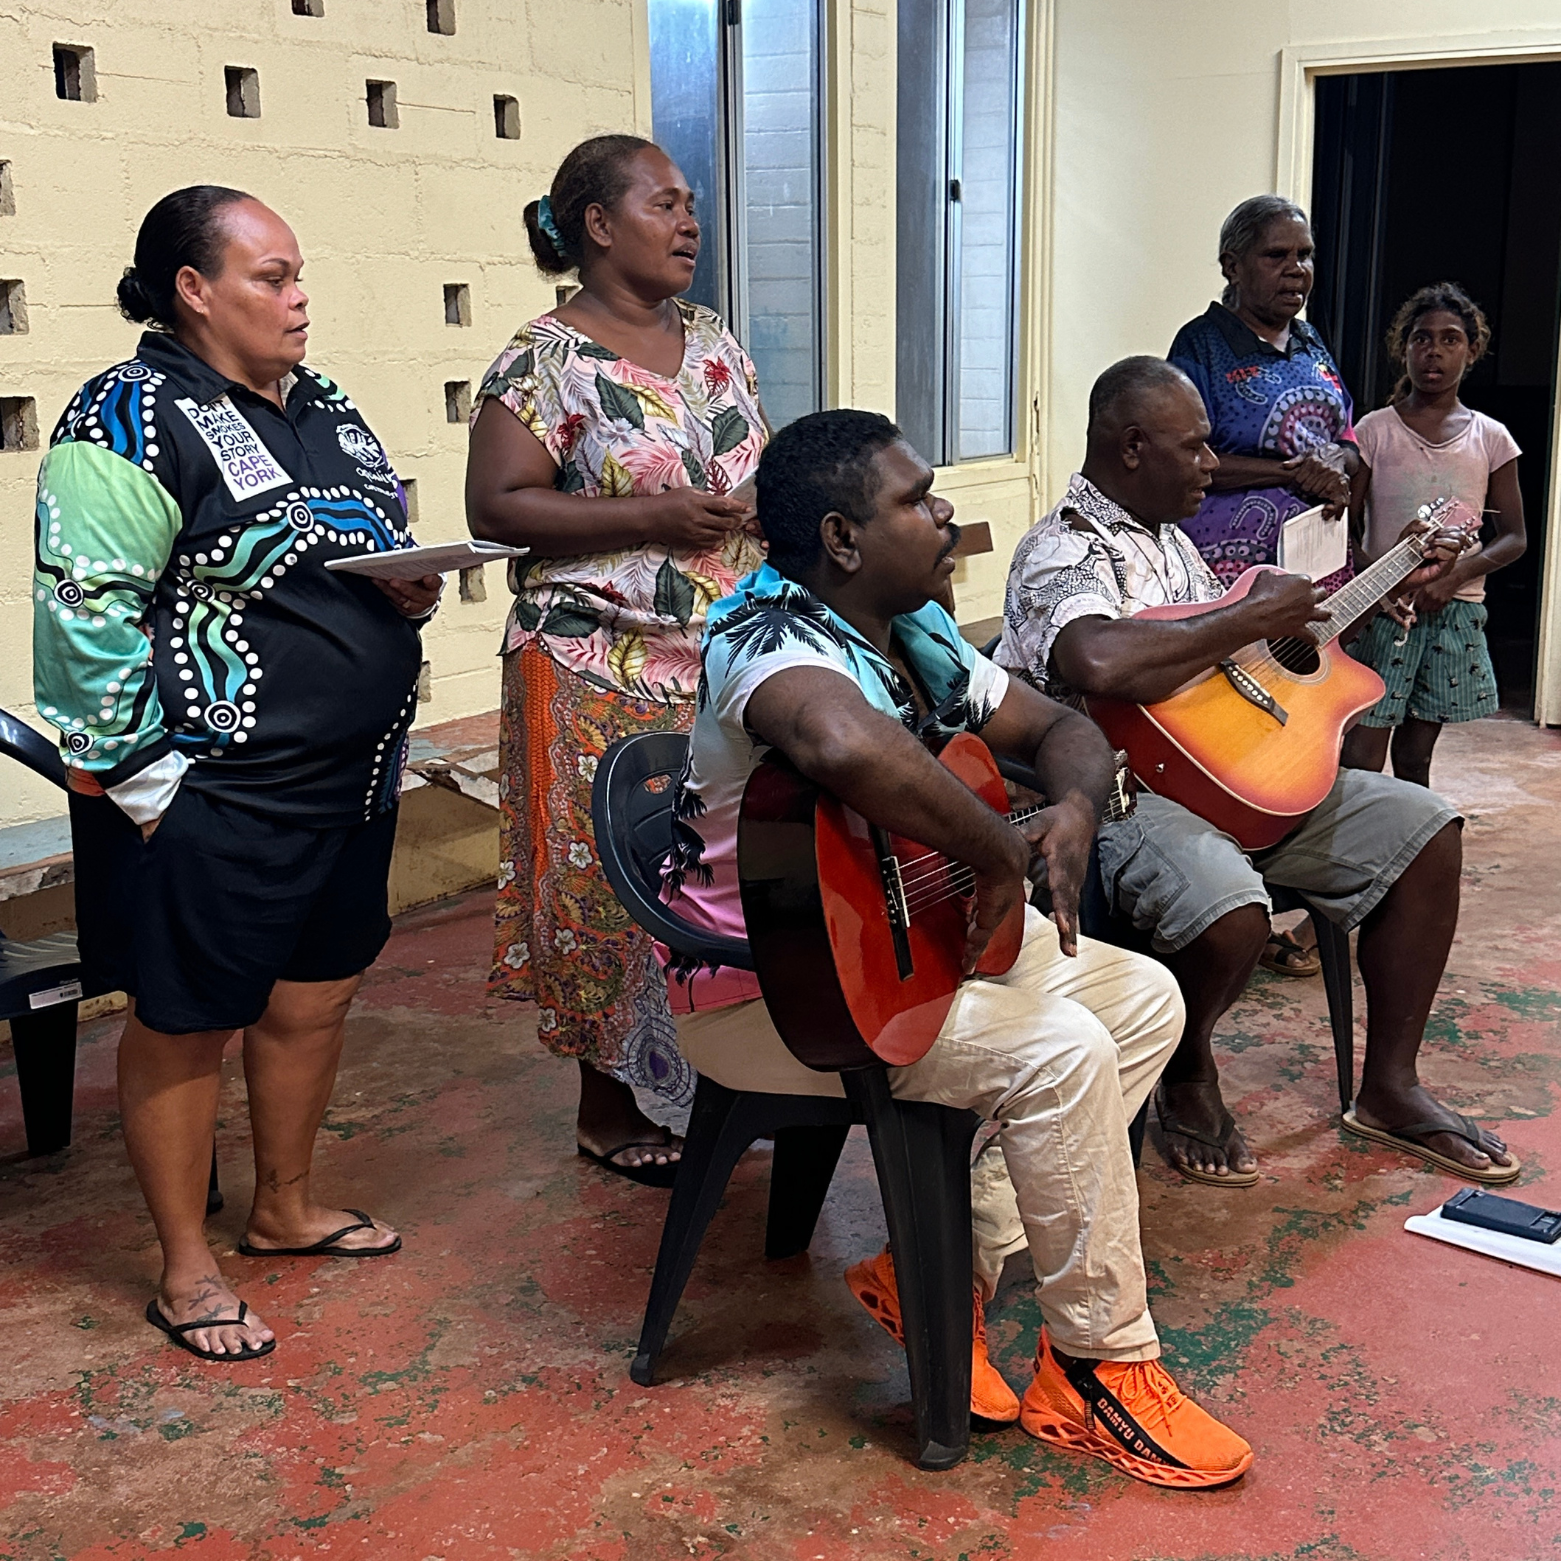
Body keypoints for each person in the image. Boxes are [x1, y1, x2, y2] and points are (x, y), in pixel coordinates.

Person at [662, 408, 1255, 1490]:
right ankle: (1098, 1368)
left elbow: (1064, 730)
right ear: (842, 538)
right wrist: (997, 852)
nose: (946, 515)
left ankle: (944, 1270)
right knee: (1063, 1047)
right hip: (778, 994)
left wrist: (1071, 811)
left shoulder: (918, 630)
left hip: (908, 943)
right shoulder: (759, 633)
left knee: (1144, 1000)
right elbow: (839, 740)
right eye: (916, 499)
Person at [32, 187, 443, 1361]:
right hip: (213, 787)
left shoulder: (323, 405)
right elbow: (84, 614)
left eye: (300, 271)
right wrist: (153, 787)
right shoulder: (126, 416)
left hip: (349, 777)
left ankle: (283, 1206)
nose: (299, 294)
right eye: (270, 275)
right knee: (185, 1019)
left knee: (315, 995)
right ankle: (184, 1266)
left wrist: (405, 585)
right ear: (193, 291)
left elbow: (359, 544)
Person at [996, 356, 1520, 1190]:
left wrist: (1344, 606)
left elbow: (1237, 660)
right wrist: (1248, 613)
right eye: (1195, 447)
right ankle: (1187, 1062)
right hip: (1131, 795)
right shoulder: (1064, 545)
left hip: (1237, 777)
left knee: (1427, 831)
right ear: (1132, 447)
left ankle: (1388, 1087)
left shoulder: (1170, 540)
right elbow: (1095, 657)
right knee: (1235, 910)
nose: (1213, 463)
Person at [465, 136, 766, 1184]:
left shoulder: (714, 339)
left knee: (712, 871)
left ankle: (721, 1073)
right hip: (593, 661)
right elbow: (498, 506)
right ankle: (606, 1104)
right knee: (604, 883)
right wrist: (655, 511)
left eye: (691, 205)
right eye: (664, 204)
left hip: (719, 657)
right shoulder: (539, 358)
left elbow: (746, 467)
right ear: (597, 225)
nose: (689, 222)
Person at [1169, 196, 1360, 976]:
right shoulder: (1201, 347)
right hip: (1230, 576)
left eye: (1305, 255)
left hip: (1317, 571)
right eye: (1277, 256)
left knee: (1308, 723)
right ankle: (1224, 901)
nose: (1297, 271)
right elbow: (1189, 455)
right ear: (1232, 264)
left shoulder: (1312, 343)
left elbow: (1345, 440)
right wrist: (1291, 470)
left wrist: (1342, 467)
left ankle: (1296, 883)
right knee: (1237, 727)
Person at [1340, 284, 1525, 786]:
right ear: (1404, 349)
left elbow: (1514, 538)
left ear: (1472, 350)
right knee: (1360, 751)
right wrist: (1377, 584)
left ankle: (1413, 855)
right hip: (1384, 614)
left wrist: (1455, 576)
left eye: (1450, 340)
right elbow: (1344, 530)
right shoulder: (1375, 431)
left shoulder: (1491, 438)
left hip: (1453, 612)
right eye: (1422, 339)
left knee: (1417, 757)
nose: (1434, 352)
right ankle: (1351, 856)